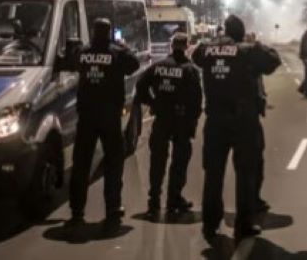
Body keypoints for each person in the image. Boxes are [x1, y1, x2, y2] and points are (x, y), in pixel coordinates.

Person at [192, 14, 281, 243]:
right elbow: (273, 60)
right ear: (241, 34)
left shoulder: (207, 51)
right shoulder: (247, 52)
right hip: (243, 122)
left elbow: (195, 54)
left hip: (215, 121)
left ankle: (210, 224)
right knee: (246, 174)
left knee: (213, 174)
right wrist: (255, 43)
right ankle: (244, 224)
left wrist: (217, 42)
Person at [65, 18, 140, 233]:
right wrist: (122, 46)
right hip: (109, 117)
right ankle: (112, 210)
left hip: (86, 116)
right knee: (113, 164)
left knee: (81, 165)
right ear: (108, 33)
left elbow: (69, 62)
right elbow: (133, 64)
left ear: (93, 31)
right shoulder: (117, 53)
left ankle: (77, 212)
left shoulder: (83, 52)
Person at [136, 32, 203, 219]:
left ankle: (154, 201)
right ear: (187, 46)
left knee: (157, 161)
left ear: (171, 46)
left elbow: (140, 87)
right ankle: (174, 199)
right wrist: (193, 121)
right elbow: (197, 101)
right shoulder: (190, 70)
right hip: (181, 121)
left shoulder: (157, 67)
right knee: (179, 162)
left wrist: (153, 102)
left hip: (162, 120)